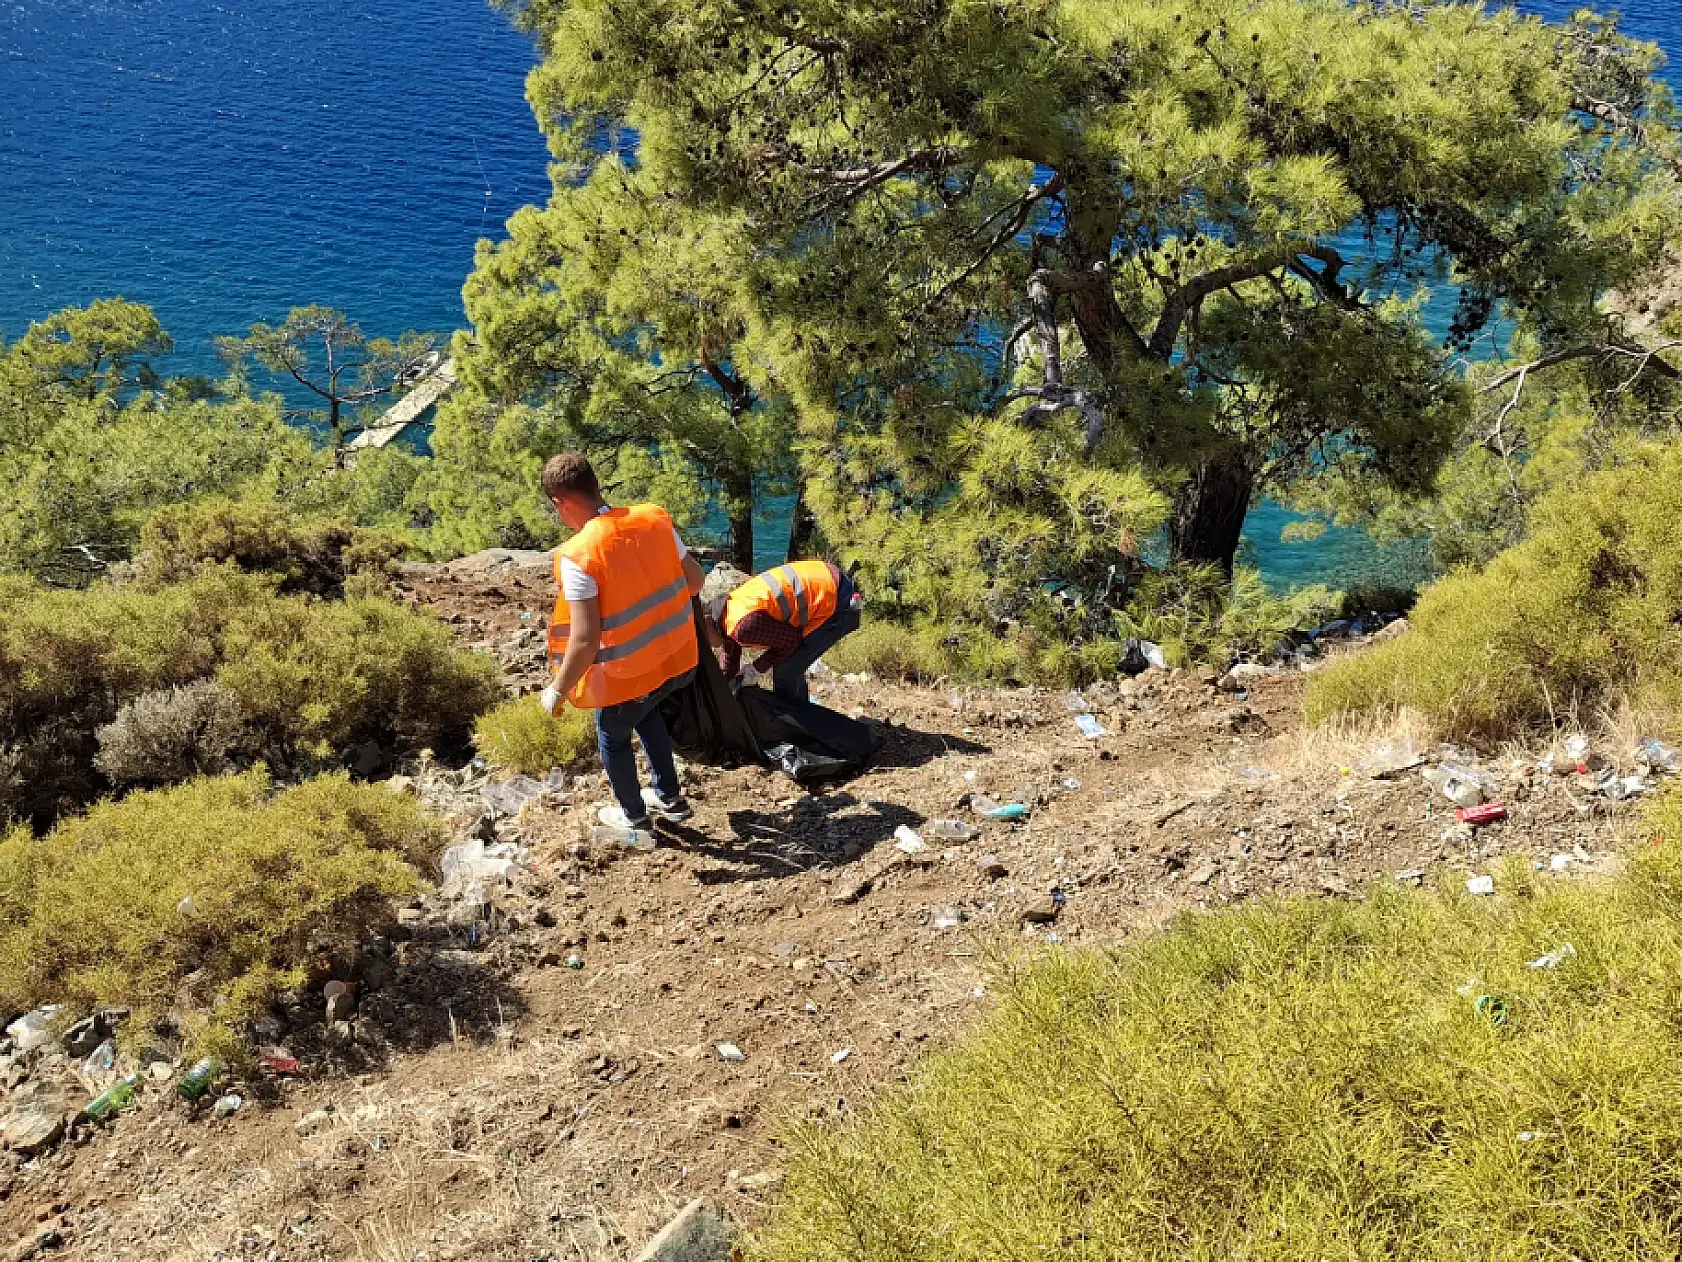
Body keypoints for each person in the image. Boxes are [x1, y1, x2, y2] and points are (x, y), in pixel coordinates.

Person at [537, 453, 707, 833]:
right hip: (676, 661)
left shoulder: (579, 555)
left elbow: (584, 639)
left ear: (559, 503)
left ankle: (634, 817)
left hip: (629, 674)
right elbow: (695, 582)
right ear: (595, 486)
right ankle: (670, 798)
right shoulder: (653, 519)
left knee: (612, 735)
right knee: (647, 714)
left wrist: (557, 691)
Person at [700, 558, 862, 705]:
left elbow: (792, 642)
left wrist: (757, 668)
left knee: (785, 671)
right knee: (792, 667)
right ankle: (802, 716)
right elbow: (730, 649)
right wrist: (723, 684)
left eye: (705, 642)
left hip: (835, 602)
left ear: (708, 622)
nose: (710, 647)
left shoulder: (742, 627)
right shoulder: (728, 609)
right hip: (828, 577)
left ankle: (796, 728)